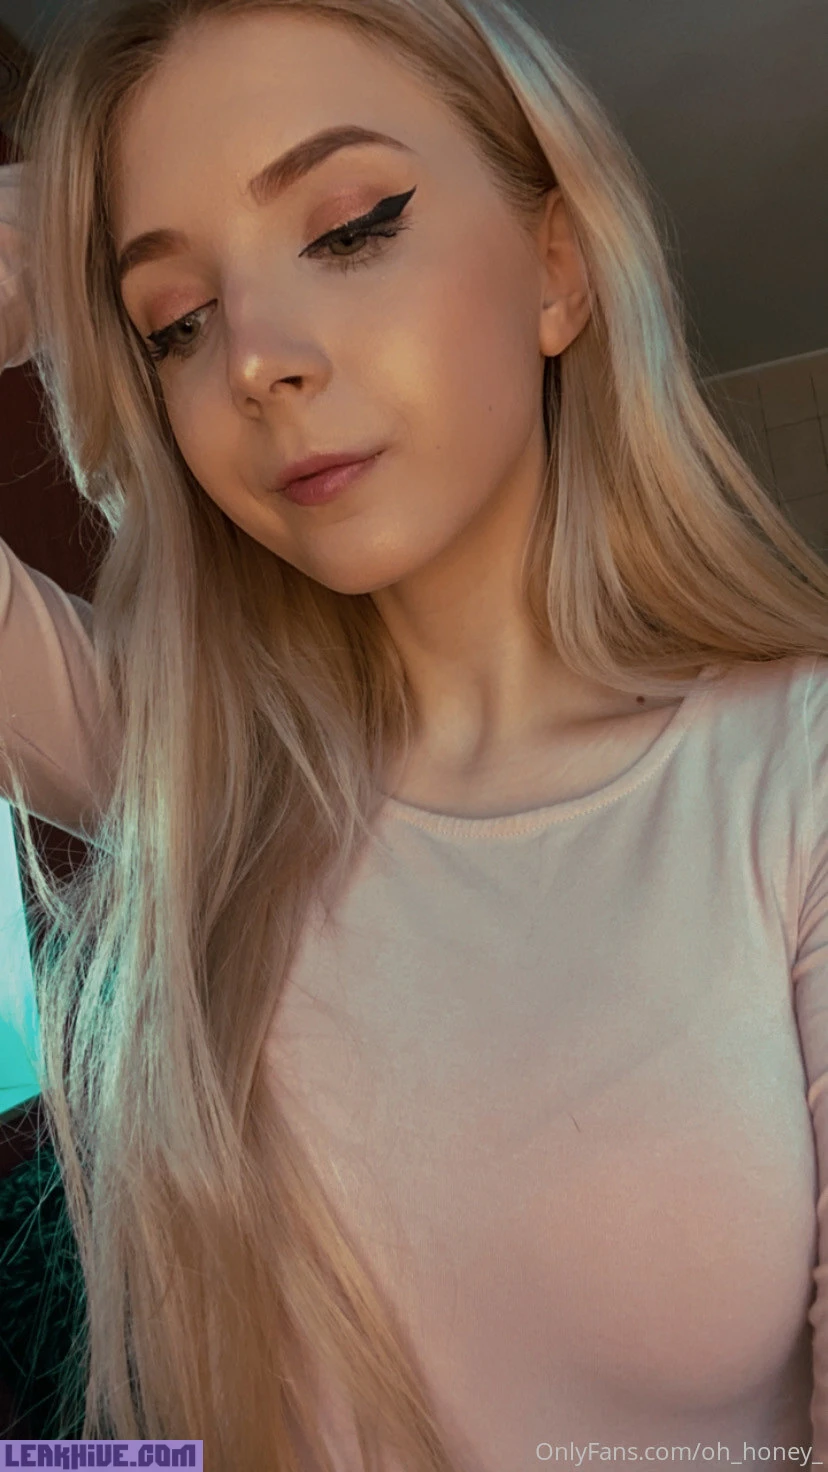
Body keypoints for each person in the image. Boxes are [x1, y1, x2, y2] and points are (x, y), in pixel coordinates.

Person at [1, 0, 828, 1464]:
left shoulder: (795, 773)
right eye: (174, 321)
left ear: (559, 267)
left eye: (351, 227)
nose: (252, 359)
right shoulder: (185, 767)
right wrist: (44, 240)